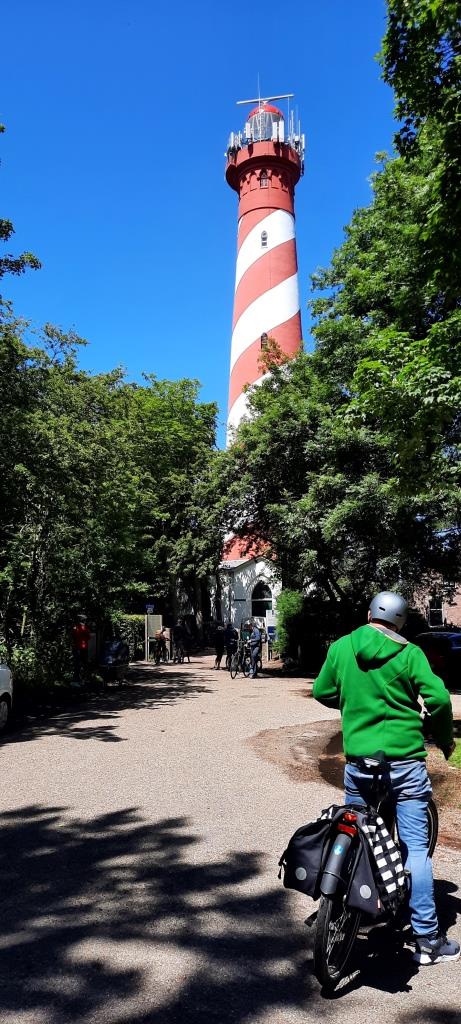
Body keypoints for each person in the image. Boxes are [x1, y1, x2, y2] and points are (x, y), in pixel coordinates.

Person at [313, 591, 459, 966]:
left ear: (368, 614)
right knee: (414, 849)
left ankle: (363, 907)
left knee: (359, 833)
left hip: (360, 763)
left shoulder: (342, 647)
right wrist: (442, 737)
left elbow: (322, 691)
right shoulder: (410, 653)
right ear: (401, 622)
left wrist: (352, 702)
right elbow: (440, 700)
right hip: (404, 764)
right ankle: (427, 941)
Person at [71, 613, 90, 686]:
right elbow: (88, 637)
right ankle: (81, 680)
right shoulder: (84, 628)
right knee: (84, 664)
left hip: (76, 648)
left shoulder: (75, 627)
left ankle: (77, 680)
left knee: (77, 664)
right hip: (83, 648)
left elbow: (72, 636)